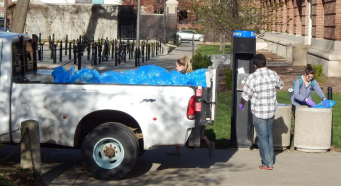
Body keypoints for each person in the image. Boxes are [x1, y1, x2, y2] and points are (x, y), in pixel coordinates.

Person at [239, 54, 284, 170]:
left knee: (262, 137)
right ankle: (271, 158)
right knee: (269, 135)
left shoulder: (252, 77)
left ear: (254, 65)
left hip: (258, 112)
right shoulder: (273, 74)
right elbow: (281, 85)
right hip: (271, 110)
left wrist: (241, 103)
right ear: (266, 62)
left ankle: (267, 163)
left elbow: (245, 95)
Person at [167, 55, 215, 156]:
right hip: (195, 105)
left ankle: (209, 144)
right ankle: (178, 149)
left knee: (190, 128)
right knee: (193, 129)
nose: (176, 68)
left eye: (177, 66)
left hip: (190, 106)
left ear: (182, 66)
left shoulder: (184, 77)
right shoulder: (190, 75)